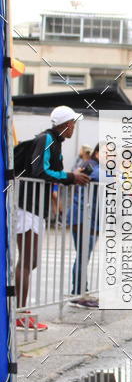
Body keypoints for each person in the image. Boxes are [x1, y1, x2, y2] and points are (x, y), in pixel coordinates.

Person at [15, 105, 89, 330]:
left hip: (34, 207)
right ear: (67, 124)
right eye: (73, 124)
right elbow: (41, 171)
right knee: (27, 260)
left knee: (31, 260)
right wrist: (70, 176)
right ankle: (18, 313)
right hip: (26, 205)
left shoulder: (53, 140)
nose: (74, 128)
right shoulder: (47, 139)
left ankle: (18, 309)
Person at [68, 144, 100, 307]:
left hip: (89, 218)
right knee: (83, 255)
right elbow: (99, 175)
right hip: (81, 217)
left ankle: (81, 291)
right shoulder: (90, 165)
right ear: (97, 153)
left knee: (83, 255)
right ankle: (78, 294)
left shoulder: (97, 166)